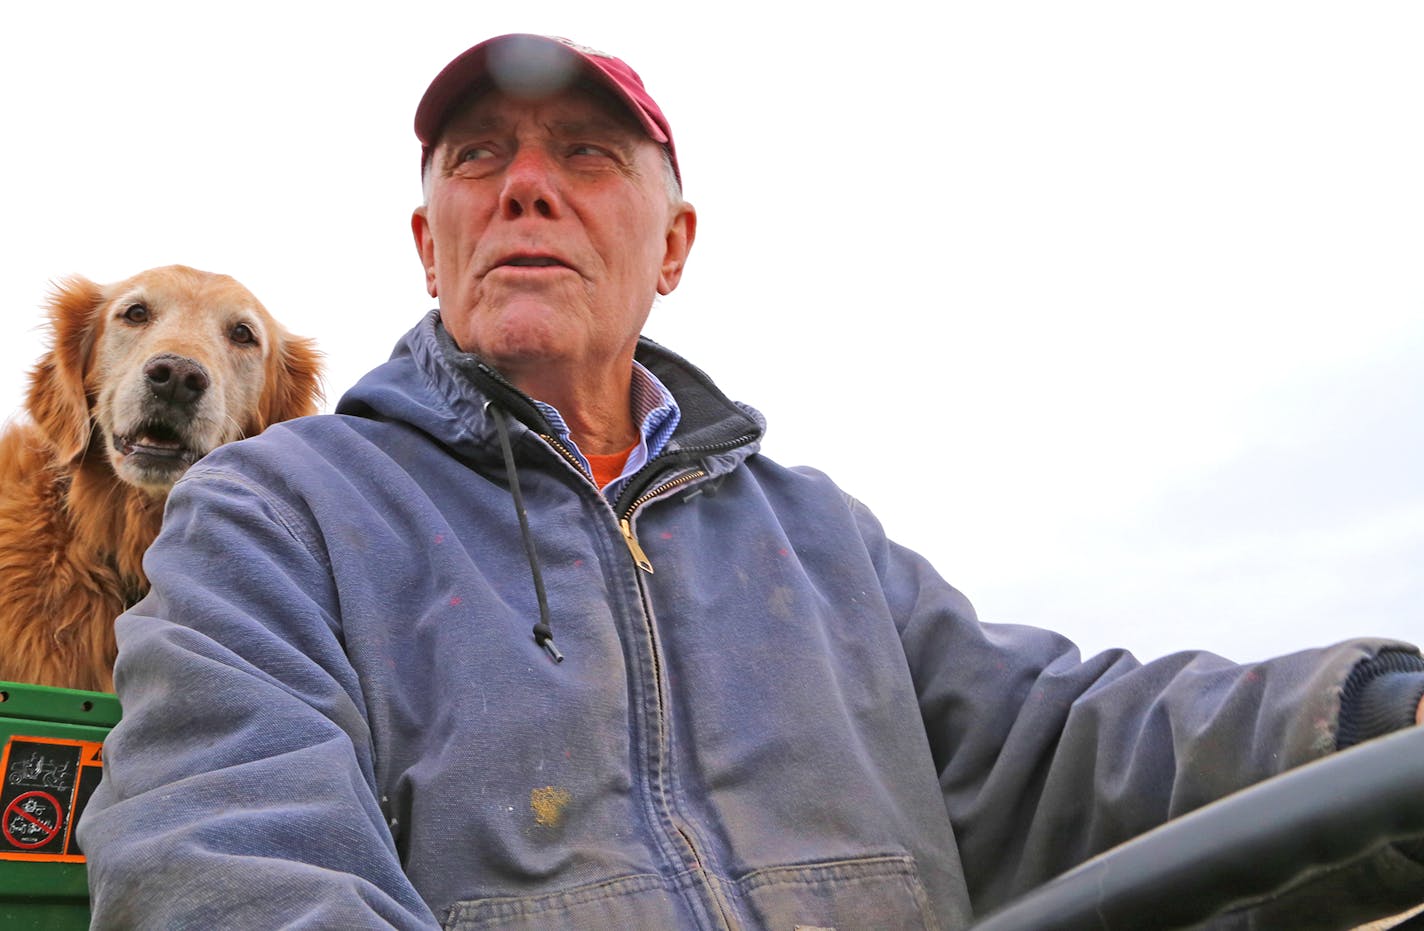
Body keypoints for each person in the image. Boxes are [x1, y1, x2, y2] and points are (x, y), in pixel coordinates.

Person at [80, 33, 1424, 930]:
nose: (528, 186)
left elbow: (1070, 740)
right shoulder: (280, 514)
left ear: (674, 244)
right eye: (479, 158)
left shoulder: (820, 540)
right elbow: (224, 852)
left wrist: (1373, 717)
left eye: (588, 154)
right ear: (430, 245)